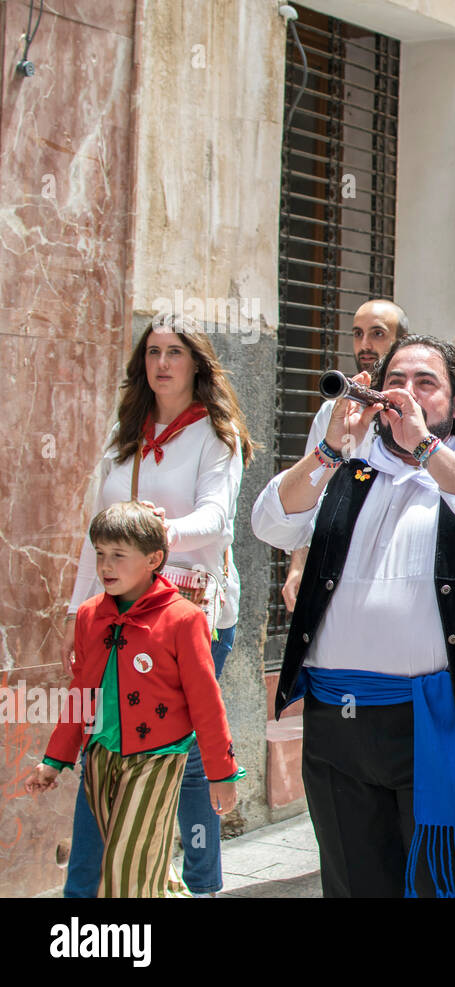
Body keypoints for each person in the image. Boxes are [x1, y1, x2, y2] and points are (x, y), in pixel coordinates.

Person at [251, 335, 455, 897]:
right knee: (354, 885)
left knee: (445, 884)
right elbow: (270, 524)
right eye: (396, 381)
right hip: (339, 722)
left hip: (438, 719)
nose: (406, 393)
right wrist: (330, 449)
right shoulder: (344, 471)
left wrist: (426, 448)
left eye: (426, 383)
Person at [60, 312, 253, 897]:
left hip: (185, 613)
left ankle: (201, 885)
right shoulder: (126, 434)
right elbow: (100, 530)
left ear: (197, 362)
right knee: (103, 746)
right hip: (115, 617)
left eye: (174, 352)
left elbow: (217, 521)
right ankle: (95, 892)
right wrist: (80, 610)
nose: (162, 363)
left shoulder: (216, 436)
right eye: (152, 352)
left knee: (190, 756)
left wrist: (154, 533)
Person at [26, 502, 243, 897]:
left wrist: (222, 774)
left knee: (131, 870)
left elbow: (206, 703)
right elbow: (80, 692)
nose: (105, 566)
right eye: (100, 554)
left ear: (153, 559)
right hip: (100, 756)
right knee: (87, 868)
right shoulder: (91, 615)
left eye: (118, 555)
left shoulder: (184, 618)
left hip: (157, 760)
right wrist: (54, 759)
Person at [281, 298, 408, 612]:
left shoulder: (416, 416)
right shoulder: (331, 413)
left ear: (400, 343)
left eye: (377, 334)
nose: (365, 345)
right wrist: (298, 564)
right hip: (332, 568)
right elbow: (315, 490)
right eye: (357, 334)